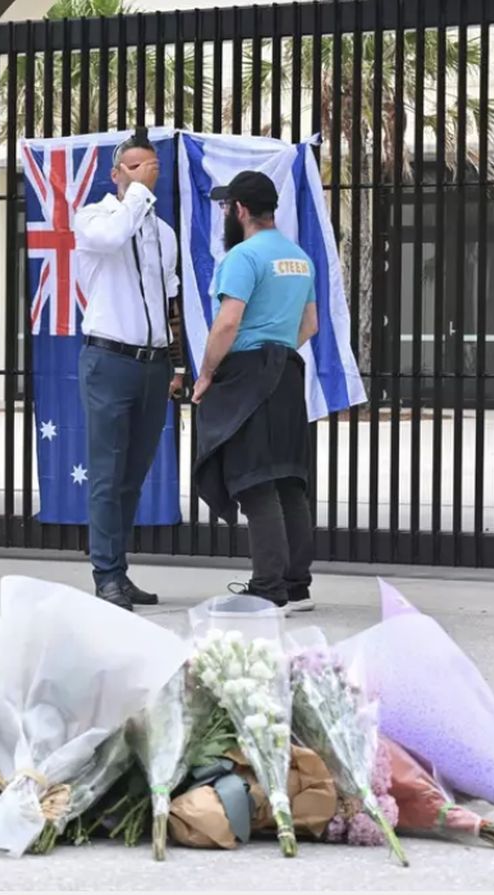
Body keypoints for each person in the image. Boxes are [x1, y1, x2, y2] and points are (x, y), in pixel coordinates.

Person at [191, 170, 321, 612]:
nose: (227, 214)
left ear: (240, 210)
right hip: (286, 370)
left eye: (228, 207)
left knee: (256, 481)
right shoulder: (300, 258)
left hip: (248, 372)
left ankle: (268, 588)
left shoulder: (243, 257)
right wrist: (276, 348)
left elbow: (228, 322)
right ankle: (296, 585)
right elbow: (310, 325)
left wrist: (207, 373)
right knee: (287, 478)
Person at [71, 132, 187, 611]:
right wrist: (137, 193)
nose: (146, 174)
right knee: (106, 473)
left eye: (152, 167)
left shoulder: (164, 232)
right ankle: (105, 575)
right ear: (115, 174)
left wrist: (176, 362)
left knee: (132, 476)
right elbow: (114, 236)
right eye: (134, 167)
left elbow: (168, 303)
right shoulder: (94, 217)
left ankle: (120, 567)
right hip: (109, 360)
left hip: (152, 365)